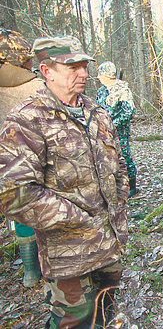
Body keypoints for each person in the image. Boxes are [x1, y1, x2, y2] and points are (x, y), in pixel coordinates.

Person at [0, 35, 129, 328]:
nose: (84, 73)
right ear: (47, 71)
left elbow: (118, 164)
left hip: (110, 245)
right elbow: (13, 193)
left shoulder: (97, 113)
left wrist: (120, 199)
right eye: (73, 67)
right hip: (67, 254)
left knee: (106, 312)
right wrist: (76, 219)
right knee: (75, 321)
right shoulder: (26, 120)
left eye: (84, 65)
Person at [0, 28, 42, 287]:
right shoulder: (37, 87)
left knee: (17, 214)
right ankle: (36, 268)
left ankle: (30, 271)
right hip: (33, 163)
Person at [96, 61, 138, 197]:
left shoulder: (122, 90)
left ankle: (132, 186)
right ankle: (115, 186)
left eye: (100, 74)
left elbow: (128, 112)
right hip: (102, 132)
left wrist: (112, 124)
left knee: (125, 157)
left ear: (107, 75)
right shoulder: (101, 91)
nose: (98, 77)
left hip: (120, 132)